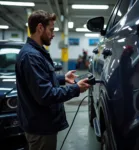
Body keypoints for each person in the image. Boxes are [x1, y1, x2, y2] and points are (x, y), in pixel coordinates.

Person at [15, 10, 90, 150]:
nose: (54, 34)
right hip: (40, 128)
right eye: (51, 29)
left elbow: (40, 80)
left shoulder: (35, 53)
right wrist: (76, 88)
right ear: (40, 28)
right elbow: (45, 95)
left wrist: (63, 78)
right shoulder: (32, 56)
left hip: (40, 124)